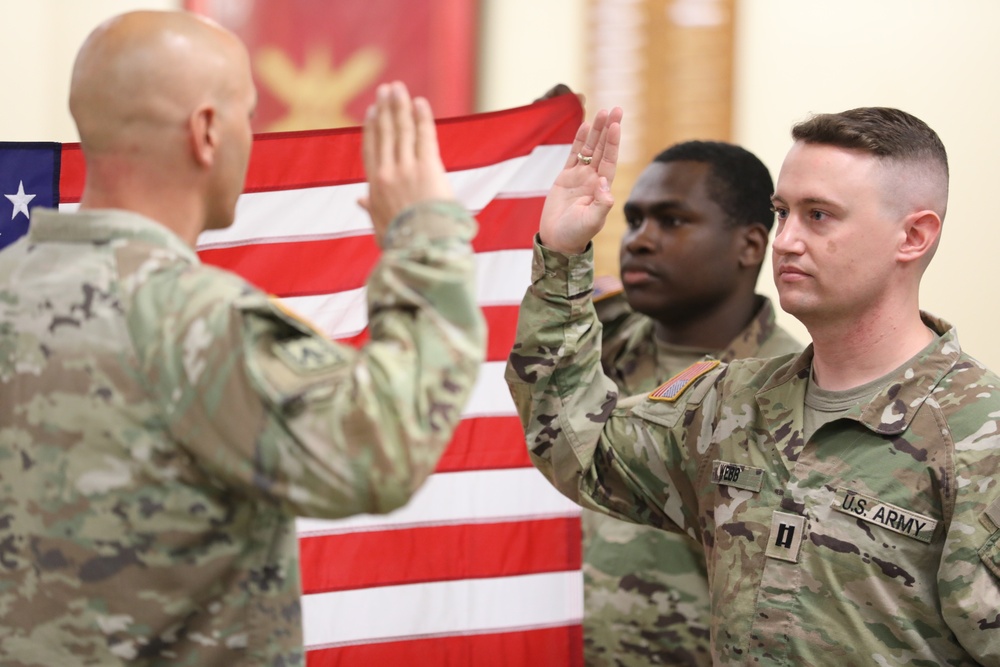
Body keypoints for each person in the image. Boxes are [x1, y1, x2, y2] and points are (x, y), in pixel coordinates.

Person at [0, 10, 485, 666]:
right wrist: (426, 237)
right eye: (248, 115)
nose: (251, 137)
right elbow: (383, 448)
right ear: (206, 130)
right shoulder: (192, 320)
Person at [506, 106, 1000, 663]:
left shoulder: (979, 437)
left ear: (912, 235)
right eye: (782, 212)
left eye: (819, 216)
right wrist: (563, 257)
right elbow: (577, 447)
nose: (784, 240)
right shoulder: (730, 403)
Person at [583, 141, 801, 666]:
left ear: (750, 245)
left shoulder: (788, 391)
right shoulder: (589, 347)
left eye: (672, 221)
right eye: (634, 220)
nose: (640, 241)